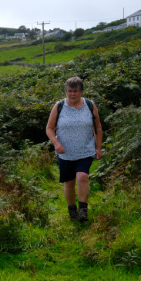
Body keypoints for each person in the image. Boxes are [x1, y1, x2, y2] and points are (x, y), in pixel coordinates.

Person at [45, 76, 103, 222]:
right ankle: (72, 210)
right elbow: (49, 128)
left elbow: (98, 127)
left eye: (75, 91)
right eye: (69, 91)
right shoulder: (59, 106)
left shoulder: (90, 105)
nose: (72, 94)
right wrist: (56, 144)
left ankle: (83, 210)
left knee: (82, 177)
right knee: (69, 182)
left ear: (81, 92)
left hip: (86, 150)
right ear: (65, 91)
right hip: (65, 153)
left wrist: (99, 147)